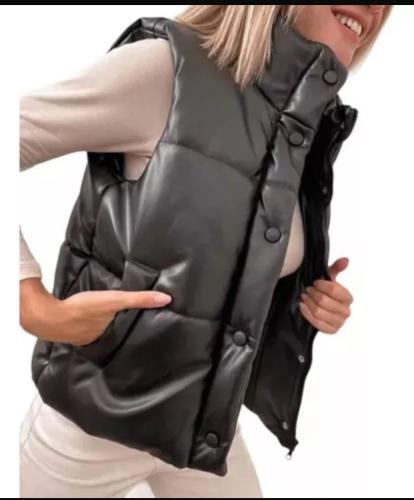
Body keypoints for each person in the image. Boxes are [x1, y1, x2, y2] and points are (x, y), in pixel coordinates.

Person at [19, 5, 392, 498]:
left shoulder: (302, 120)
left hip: (204, 434)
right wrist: (33, 303)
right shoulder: (165, 69)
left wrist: (307, 300)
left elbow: (229, 264)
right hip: (84, 436)